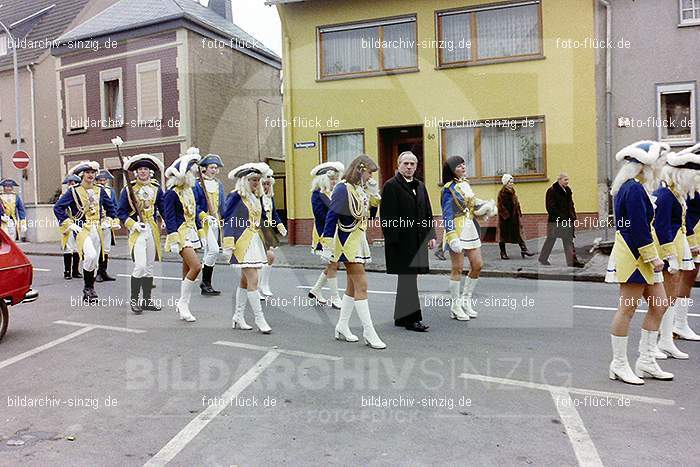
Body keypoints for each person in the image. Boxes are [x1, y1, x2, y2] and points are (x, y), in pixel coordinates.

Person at [605, 140, 674, 383]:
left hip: (642, 255)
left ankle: (646, 360)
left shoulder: (635, 187)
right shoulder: (632, 188)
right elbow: (636, 227)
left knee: (660, 304)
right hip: (634, 256)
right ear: (647, 165)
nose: (661, 167)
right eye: (659, 162)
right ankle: (619, 364)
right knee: (628, 308)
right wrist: (652, 256)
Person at [322, 154, 385, 349]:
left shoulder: (360, 190)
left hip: (359, 240)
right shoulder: (343, 188)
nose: (370, 178)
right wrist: (326, 244)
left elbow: (368, 217)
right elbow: (332, 215)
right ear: (359, 170)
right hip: (346, 241)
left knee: (351, 287)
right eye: (369, 173)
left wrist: (374, 197)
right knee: (362, 286)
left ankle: (341, 326)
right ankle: (369, 331)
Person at [381, 151, 435, 332]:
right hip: (401, 244)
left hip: (418, 241)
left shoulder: (420, 186)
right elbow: (387, 217)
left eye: (413, 164)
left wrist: (431, 235)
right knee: (409, 280)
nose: (409, 167)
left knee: (408, 280)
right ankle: (413, 320)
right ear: (399, 165)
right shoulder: (391, 186)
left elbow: (427, 211)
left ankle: (401, 318)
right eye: (406, 163)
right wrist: (393, 242)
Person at [652, 148, 698, 359]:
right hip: (668, 247)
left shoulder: (675, 194)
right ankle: (658, 340)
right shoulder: (665, 196)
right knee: (667, 295)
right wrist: (671, 256)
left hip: (678, 244)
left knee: (671, 294)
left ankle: (667, 339)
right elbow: (662, 227)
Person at [441, 156, 497, 321]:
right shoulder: (448, 189)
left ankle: (466, 300)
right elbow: (447, 214)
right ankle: (455, 305)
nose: (463, 167)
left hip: (470, 227)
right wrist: (451, 237)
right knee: (457, 268)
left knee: (477, 265)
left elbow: (472, 205)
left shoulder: (465, 184)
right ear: (452, 170)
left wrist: (485, 208)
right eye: (459, 165)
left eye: (464, 164)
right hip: (457, 230)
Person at [54, 161, 117, 302]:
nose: (90, 175)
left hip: (98, 229)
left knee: (93, 260)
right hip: (82, 229)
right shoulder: (73, 191)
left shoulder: (100, 190)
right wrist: (69, 223)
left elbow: (111, 207)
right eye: (87, 172)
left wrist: (109, 219)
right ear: (82, 175)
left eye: (93, 172)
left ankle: (89, 289)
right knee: (91, 255)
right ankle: (88, 288)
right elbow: (58, 208)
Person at [222, 163, 272, 333]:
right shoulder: (236, 196)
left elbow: (263, 220)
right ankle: (259, 319)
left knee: (245, 281)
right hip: (242, 242)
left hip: (255, 241)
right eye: (253, 180)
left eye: (258, 180)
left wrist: (269, 242)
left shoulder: (256, 197)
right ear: (244, 180)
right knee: (254, 280)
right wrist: (228, 244)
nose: (256, 183)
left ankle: (238, 316)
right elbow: (228, 219)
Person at [117, 154, 165, 314]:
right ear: (135, 172)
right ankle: (134, 299)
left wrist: (169, 225)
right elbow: (121, 212)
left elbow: (164, 208)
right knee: (140, 265)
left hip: (151, 229)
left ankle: (147, 300)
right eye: (140, 169)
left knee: (150, 267)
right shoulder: (129, 189)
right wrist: (133, 224)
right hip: (138, 231)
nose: (143, 172)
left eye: (146, 169)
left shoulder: (156, 188)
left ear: (150, 172)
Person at [163, 148, 205, 322]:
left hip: (191, 232)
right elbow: (169, 217)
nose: (191, 176)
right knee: (196, 267)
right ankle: (182, 303)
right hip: (180, 234)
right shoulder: (171, 194)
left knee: (187, 269)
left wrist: (201, 232)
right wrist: (172, 238)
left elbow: (194, 214)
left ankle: (183, 306)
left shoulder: (190, 191)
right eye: (188, 173)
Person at [308, 161, 345, 308]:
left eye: (336, 177)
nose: (334, 181)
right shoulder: (317, 194)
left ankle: (316, 290)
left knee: (335, 263)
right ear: (323, 179)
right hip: (324, 233)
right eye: (331, 178)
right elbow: (320, 215)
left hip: (337, 232)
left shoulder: (334, 193)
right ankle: (335, 298)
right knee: (333, 263)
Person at [676, 144, 700, 341]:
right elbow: (687, 214)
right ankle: (678, 323)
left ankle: (677, 323)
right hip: (693, 233)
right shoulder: (691, 181)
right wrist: (691, 242)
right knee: (687, 275)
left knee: (688, 276)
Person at [193, 154, 225, 296]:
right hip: (203, 223)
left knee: (211, 252)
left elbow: (223, 205)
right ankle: (204, 282)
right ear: (204, 168)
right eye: (211, 167)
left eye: (216, 168)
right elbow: (194, 206)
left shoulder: (219, 184)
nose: (214, 170)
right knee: (213, 250)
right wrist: (205, 217)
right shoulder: (197, 184)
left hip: (216, 222)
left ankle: (206, 284)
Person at [538, 173, 584, 267]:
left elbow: (571, 205)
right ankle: (543, 258)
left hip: (567, 220)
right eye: (565, 180)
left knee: (568, 240)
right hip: (556, 221)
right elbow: (550, 207)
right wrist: (560, 218)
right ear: (559, 180)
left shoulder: (567, 190)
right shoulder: (552, 191)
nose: (567, 182)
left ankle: (572, 261)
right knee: (551, 240)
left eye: (568, 180)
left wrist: (573, 216)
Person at [258, 164, 288, 297]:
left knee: (268, 258)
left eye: (268, 184)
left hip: (268, 229)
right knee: (267, 257)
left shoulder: (269, 197)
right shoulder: (257, 197)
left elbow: (274, 213)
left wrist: (280, 226)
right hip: (259, 230)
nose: (266, 187)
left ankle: (263, 285)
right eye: (264, 184)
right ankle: (257, 286)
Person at [497, 174, 535, 259]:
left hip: (514, 217)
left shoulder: (513, 191)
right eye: (509, 182)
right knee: (503, 236)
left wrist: (518, 212)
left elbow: (516, 203)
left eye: (512, 182)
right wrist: (506, 216)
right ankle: (503, 253)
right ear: (505, 183)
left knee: (518, 234)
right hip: (505, 219)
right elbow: (500, 206)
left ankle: (524, 250)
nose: (511, 184)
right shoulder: (502, 193)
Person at [94, 170, 119, 282]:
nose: (102, 182)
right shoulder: (93, 191)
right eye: (100, 180)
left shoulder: (110, 191)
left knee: (106, 249)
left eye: (104, 180)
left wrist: (114, 218)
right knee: (98, 248)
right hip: (96, 222)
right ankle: (97, 273)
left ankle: (103, 271)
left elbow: (114, 205)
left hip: (107, 222)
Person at [59, 174, 83, 280]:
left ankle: (76, 271)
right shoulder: (63, 196)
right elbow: (59, 210)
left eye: (74, 182)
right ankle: (67, 272)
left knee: (77, 248)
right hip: (67, 224)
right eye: (70, 182)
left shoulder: (79, 195)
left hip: (78, 223)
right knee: (68, 247)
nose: (71, 184)